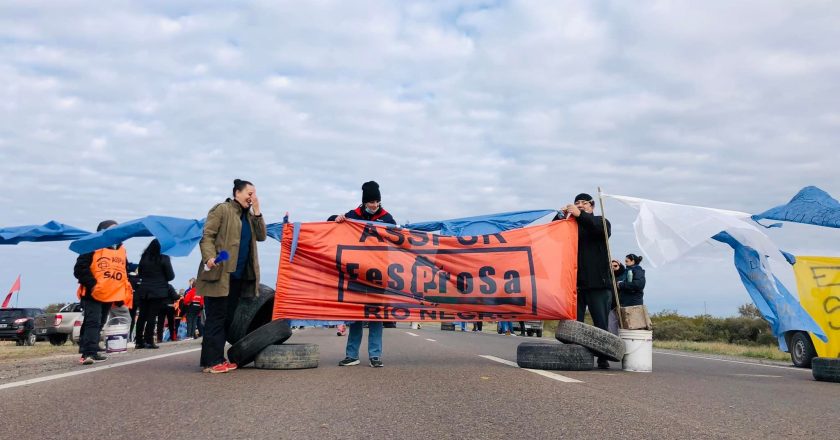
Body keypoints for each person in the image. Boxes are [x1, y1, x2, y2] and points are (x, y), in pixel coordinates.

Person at [196, 179, 266, 374]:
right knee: (216, 317)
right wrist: (209, 257)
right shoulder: (222, 210)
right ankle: (212, 362)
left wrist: (257, 212)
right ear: (237, 192)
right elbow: (207, 236)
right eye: (249, 194)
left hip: (238, 277)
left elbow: (261, 236)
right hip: (219, 274)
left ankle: (214, 358)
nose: (252, 198)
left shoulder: (249, 217)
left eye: (254, 195)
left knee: (227, 318)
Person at [335, 181, 395, 368]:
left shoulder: (387, 218)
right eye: (370, 202)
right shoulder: (353, 216)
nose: (374, 205)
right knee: (356, 316)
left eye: (376, 201)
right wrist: (335, 219)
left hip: (378, 272)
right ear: (364, 202)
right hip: (357, 273)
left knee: (376, 316)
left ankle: (375, 356)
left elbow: (399, 236)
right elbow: (333, 226)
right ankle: (352, 355)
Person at [555, 192, 613, 369]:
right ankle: (573, 355)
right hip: (574, 283)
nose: (580, 205)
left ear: (592, 206)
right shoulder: (570, 226)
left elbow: (600, 229)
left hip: (598, 283)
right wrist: (559, 215)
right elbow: (552, 233)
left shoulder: (600, 221)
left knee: (600, 322)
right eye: (577, 203)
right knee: (573, 323)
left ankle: (603, 356)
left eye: (584, 203)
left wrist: (581, 215)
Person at [73, 220, 132, 365]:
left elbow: (123, 272)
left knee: (100, 321)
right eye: (112, 229)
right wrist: (93, 285)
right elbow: (80, 269)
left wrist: (120, 294)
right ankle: (89, 353)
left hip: (109, 293)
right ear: (102, 231)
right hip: (93, 292)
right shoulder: (91, 245)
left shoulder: (121, 250)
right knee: (92, 321)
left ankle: (89, 347)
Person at [135, 239, 175, 349]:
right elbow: (171, 276)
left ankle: (139, 340)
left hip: (144, 290)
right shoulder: (164, 258)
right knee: (152, 316)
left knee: (142, 316)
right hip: (157, 290)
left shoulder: (144, 257)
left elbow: (141, 273)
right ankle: (149, 340)